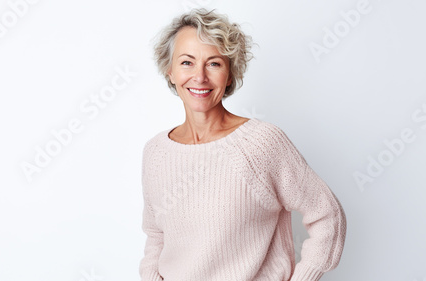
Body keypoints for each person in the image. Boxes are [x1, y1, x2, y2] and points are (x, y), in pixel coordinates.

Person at [140, 8, 346, 281]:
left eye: (213, 63)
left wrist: (305, 275)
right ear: (170, 71)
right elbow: (156, 236)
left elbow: (327, 215)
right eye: (187, 62)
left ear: (229, 73)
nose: (199, 77)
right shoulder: (156, 152)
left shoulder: (261, 144)